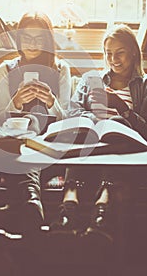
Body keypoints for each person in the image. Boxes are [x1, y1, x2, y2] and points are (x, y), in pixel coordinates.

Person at [52, 24, 147, 242]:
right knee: (82, 140)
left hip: (124, 148)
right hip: (90, 143)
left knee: (115, 139)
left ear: (133, 51)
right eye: (108, 53)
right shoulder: (90, 80)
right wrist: (94, 120)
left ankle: (101, 210)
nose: (114, 59)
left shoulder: (144, 86)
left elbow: (145, 130)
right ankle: (69, 208)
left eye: (120, 53)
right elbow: (72, 112)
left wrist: (121, 109)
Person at [0, 11, 71, 234]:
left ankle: (25, 205)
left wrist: (51, 101)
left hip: (48, 144)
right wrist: (16, 102)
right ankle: (29, 204)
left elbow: (66, 121)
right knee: (17, 151)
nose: (31, 44)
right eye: (26, 37)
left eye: (38, 38)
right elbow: (1, 120)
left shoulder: (61, 69)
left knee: (28, 152)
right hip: (16, 144)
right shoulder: (7, 68)